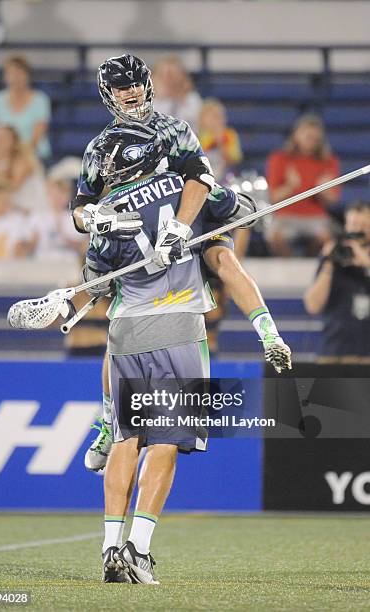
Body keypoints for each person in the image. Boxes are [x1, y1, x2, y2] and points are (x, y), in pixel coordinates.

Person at [82, 122, 291, 584]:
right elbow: (237, 221)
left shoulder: (109, 212)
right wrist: (268, 331)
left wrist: (63, 301)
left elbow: (93, 280)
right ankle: (137, 549)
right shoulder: (189, 187)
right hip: (178, 327)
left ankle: (109, 549)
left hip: (125, 331)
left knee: (124, 439)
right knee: (164, 441)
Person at [304, 201, 370, 363]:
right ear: (346, 226)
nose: (358, 230)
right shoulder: (335, 256)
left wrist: (366, 263)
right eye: (354, 224)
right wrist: (328, 263)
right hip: (334, 349)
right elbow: (312, 305)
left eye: (364, 225)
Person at [266, 114, 341, 256]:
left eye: (314, 138)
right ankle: (289, 267)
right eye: (307, 137)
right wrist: (290, 186)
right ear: (296, 136)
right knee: (274, 237)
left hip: (315, 215)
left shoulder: (329, 161)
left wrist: (323, 190)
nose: (311, 141)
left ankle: (312, 262)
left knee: (327, 238)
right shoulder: (279, 158)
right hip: (286, 215)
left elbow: (333, 201)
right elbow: (273, 198)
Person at [0, 55, 51, 160]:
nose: (16, 77)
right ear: (5, 76)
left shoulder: (40, 100)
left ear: (27, 75)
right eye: (11, 73)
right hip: (4, 157)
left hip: (35, 156)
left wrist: (21, 158)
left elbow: (37, 135)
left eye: (20, 73)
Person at [0, 124, 48, 214]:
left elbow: (14, 186)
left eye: (4, 138)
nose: (0, 141)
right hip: (9, 203)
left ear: (13, 141)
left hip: (30, 203)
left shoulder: (23, 157)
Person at [30, 177, 87, 259]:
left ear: (68, 197)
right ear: (48, 195)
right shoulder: (37, 217)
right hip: (42, 261)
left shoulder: (76, 217)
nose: (57, 198)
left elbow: (83, 247)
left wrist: (64, 237)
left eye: (62, 195)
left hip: (68, 261)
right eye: (55, 194)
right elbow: (30, 246)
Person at [151, 55, 202, 130]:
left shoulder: (192, 100)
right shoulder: (146, 104)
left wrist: (180, 98)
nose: (167, 80)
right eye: (162, 75)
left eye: (172, 75)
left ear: (182, 77)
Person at [198, 98, 242, 183]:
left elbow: (233, 161)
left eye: (218, 116)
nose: (215, 120)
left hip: (225, 177)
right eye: (212, 116)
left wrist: (221, 143)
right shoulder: (197, 136)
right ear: (202, 119)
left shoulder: (229, 135)